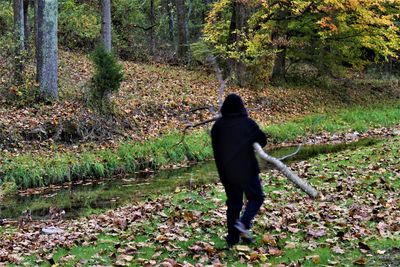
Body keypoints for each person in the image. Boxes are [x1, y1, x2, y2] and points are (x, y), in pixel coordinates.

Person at [211, 93, 267, 247]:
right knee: (256, 197)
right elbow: (263, 140)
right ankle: (243, 223)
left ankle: (232, 239)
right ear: (241, 107)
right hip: (247, 169)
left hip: (226, 172)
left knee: (234, 204)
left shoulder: (217, 126)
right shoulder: (248, 124)